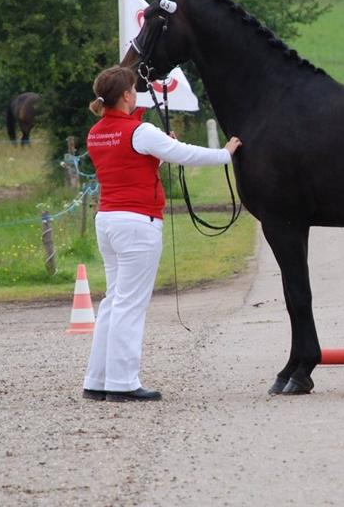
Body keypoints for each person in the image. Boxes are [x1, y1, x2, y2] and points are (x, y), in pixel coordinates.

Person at [82, 66, 242, 401]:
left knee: (114, 301)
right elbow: (183, 153)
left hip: (108, 220)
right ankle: (123, 382)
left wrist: (158, 150)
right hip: (138, 222)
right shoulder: (140, 131)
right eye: (134, 88)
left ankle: (97, 379)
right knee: (129, 304)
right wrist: (225, 155)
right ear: (127, 95)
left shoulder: (96, 132)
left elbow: (128, 162)